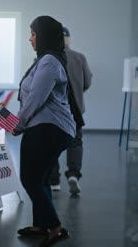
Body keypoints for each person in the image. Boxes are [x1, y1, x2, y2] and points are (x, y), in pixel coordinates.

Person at [13, 15, 76, 247]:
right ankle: (41, 225)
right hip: (45, 126)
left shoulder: (49, 62)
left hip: (49, 127)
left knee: (30, 178)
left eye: (33, 33)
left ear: (44, 35)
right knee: (39, 178)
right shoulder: (45, 59)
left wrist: (18, 124)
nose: (30, 38)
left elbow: (35, 98)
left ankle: (56, 228)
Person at [49, 27, 93, 194]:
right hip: (75, 109)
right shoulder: (79, 57)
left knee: (52, 144)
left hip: (54, 109)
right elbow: (87, 82)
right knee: (75, 142)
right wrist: (76, 93)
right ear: (69, 39)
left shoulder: (47, 58)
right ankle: (73, 174)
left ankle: (54, 181)